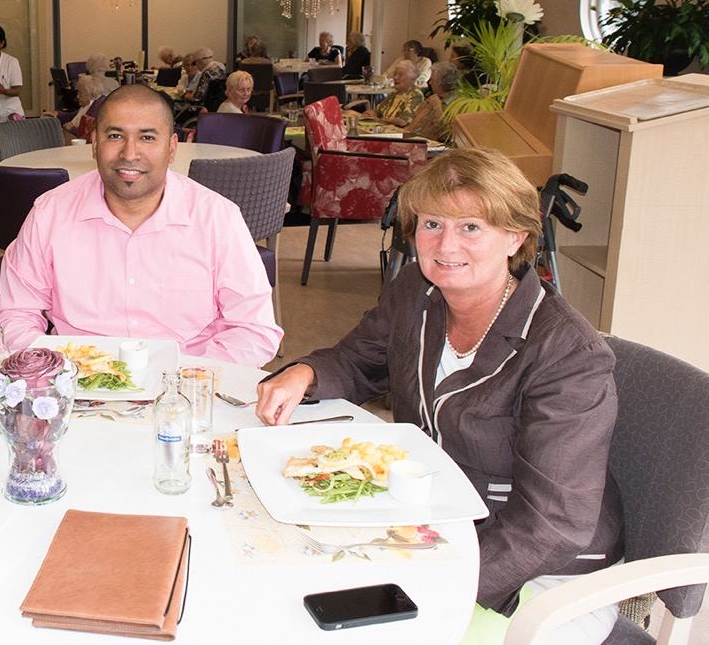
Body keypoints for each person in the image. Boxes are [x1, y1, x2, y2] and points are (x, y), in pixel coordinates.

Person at [255, 148, 622, 640]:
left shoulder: (567, 354)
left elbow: (551, 523)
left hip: (538, 574)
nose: (445, 244)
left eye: (471, 226)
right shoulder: (417, 291)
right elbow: (362, 359)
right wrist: (303, 372)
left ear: (515, 236)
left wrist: (433, 581)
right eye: (431, 223)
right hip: (438, 520)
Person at [0, 85, 283, 365]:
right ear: (94, 144)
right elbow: (15, 314)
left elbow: (253, 331)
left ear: (171, 148)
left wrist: (191, 379)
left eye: (147, 137)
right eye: (116, 135)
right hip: (77, 383)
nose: (130, 154)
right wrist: (58, 372)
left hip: (187, 385)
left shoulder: (217, 219)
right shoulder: (50, 214)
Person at [405, 61, 461, 143]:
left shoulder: (458, 104)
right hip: (422, 141)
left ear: (442, 83)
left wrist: (437, 108)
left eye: (432, 80)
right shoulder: (433, 98)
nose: (430, 83)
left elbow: (447, 135)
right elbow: (414, 127)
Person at [363, 61, 425, 127]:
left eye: (400, 75)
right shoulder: (395, 93)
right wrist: (370, 114)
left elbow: (402, 121)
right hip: (385, 129)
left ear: (412, 78)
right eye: (395, 74)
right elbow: (378, 111)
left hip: (399, 134)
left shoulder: (416, 95)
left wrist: (379, 120)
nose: (395, 78)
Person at [61, 73, 109, 138]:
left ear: (90, 93)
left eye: (80, 93)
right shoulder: (88, 104)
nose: (77, 97)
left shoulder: (98, 107)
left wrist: (72, 129)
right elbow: (72, 115)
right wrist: (57, 114)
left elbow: (89, 133)